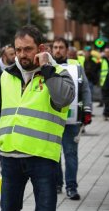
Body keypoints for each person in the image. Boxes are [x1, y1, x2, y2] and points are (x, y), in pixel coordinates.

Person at [0, 26, 75, 210]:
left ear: (41, 49)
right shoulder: (7, 76)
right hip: (10, 156)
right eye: (18, 50)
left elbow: (64, 98)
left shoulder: (58, 72)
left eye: (27, 49)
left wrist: (46, 69)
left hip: (42, 157)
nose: (22, 54)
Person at [52, 37, 92, 200]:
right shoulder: (46, 66)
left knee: (70, 154)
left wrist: (87, 110)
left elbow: (85, 89)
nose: (58, 50)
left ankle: (71, 187)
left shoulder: (76, 66)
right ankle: (57, 184)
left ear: (67, 50)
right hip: (52, 119)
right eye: (55, 47)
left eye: (61, 47)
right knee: (53, 154)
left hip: (72, 119)